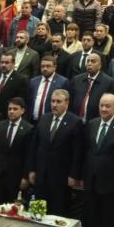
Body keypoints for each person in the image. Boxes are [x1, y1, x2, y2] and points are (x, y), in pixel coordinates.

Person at [78, 93, 114, 227]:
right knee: (89, 218)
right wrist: (82, 176)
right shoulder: (92, 123)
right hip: (90, 181)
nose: (103, 109)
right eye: (101, 105)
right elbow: (86, 151)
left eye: (107, 106)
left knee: (107, 221)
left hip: (110, 184)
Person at [27, 88, 84, 216]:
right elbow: (34, 146)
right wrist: (31, 169)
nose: (54, 104)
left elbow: (77, 152)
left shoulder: (75, 122)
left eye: (58, 102)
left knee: (58, 211)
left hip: (61, 176)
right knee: (39, 211)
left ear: (67, 103)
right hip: (41, 174)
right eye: (52, 101)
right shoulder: (44, 118)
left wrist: (73, 175)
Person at [0, 97, 34, 204]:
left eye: (15, 109)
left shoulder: (28, 129)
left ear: (22, 110)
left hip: (16, 176)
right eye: (9, 109)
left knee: (13, 207)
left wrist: (25, 177)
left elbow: (28, 155)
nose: (11, 111)